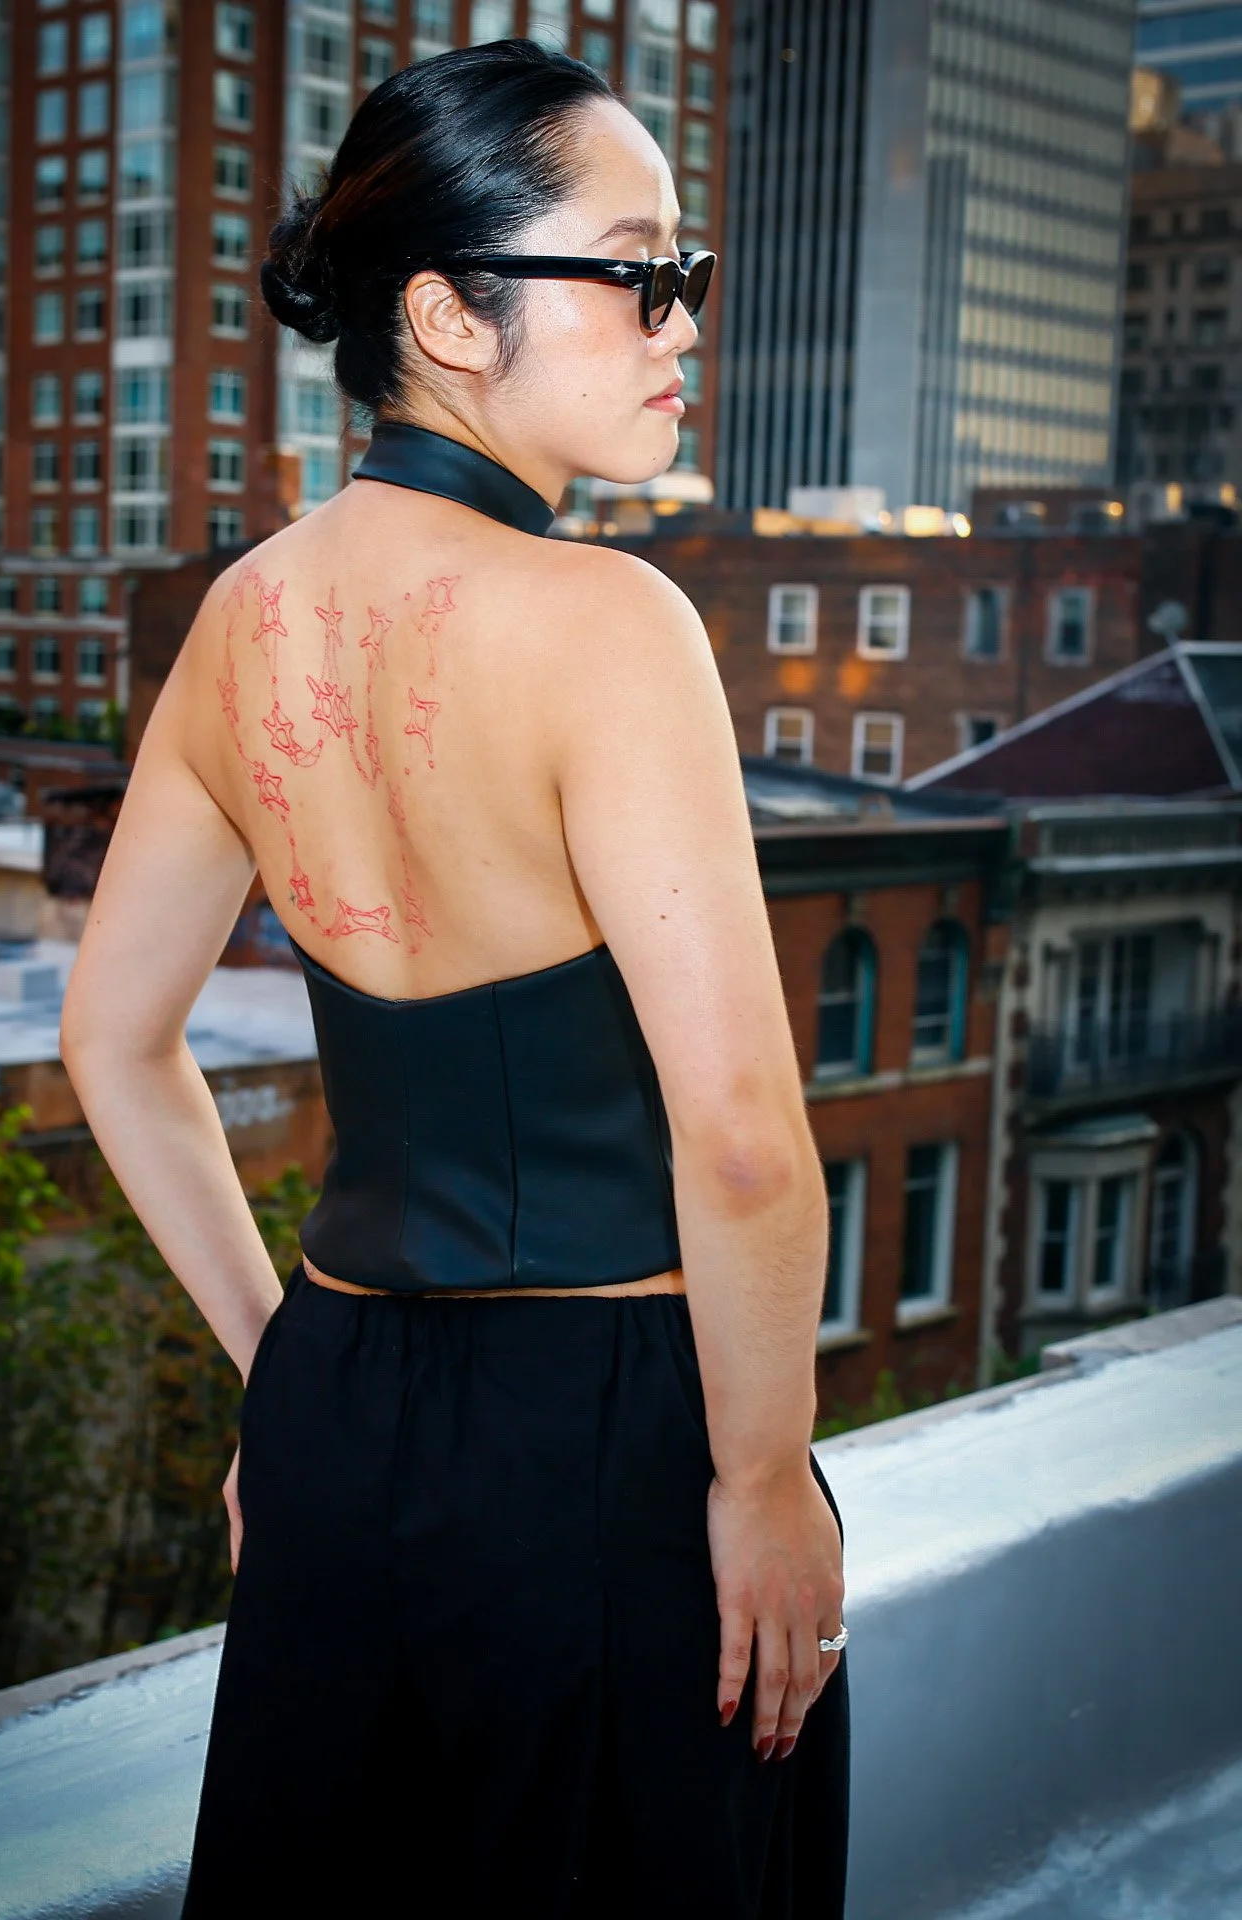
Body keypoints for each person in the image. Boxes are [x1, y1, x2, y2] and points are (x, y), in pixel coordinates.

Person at [60, 35, 849, 1920]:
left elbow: (111, 1042)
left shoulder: (240, 619)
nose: (683, 320)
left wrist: (283, 1372)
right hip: (607, 1435)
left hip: (340, 1416)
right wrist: (762, 1481)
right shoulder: (610, 622)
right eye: (637, 269)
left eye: (685, 272)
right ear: (445, 314)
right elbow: (743, 1137)